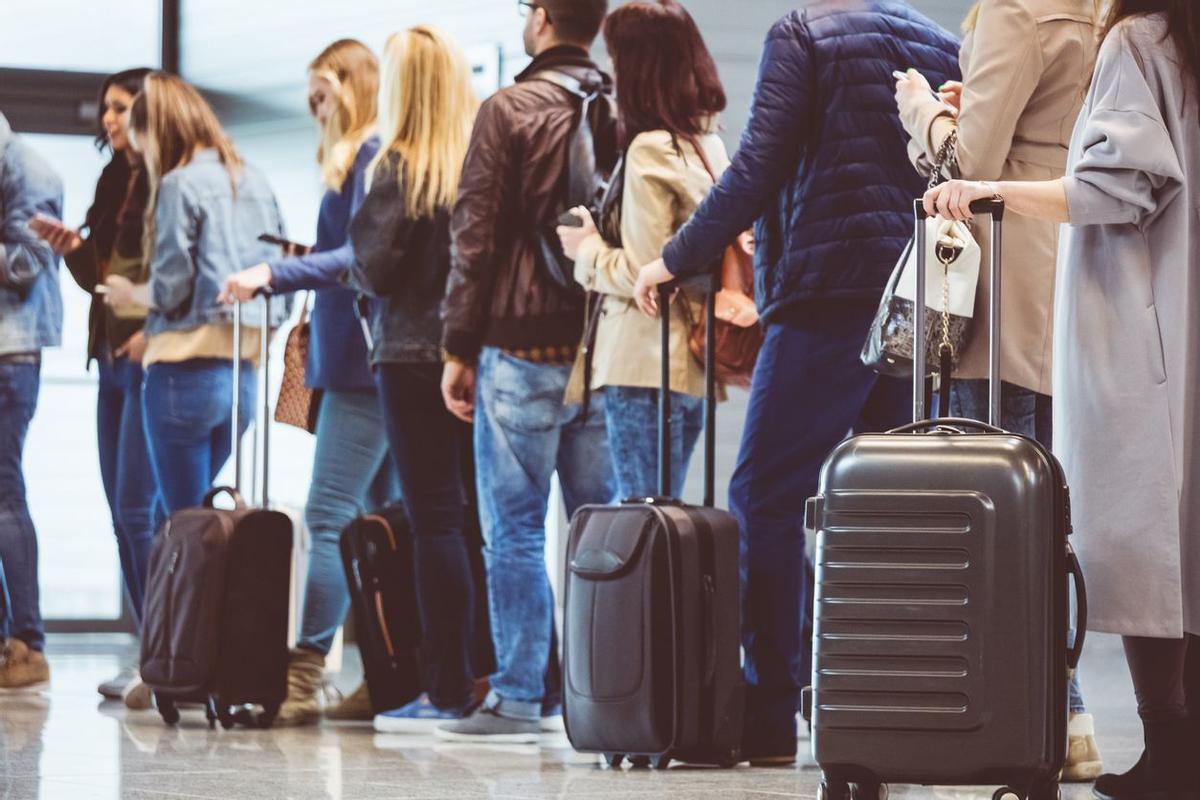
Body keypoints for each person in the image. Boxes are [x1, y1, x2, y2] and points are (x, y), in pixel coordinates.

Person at [631, 1, 960, 764]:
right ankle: (879, 711)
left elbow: (758, 164)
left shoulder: (803, 33)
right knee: (884, 513)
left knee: (765, 495)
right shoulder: (937, 39)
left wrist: (674, 257)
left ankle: (770, 712)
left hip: (828, 295)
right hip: (918, 298)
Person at [923, 2, 1199, 795]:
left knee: (1143, 543)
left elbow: (1116, 187)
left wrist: (989, 193)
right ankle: (1186, 753)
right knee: (1184, 541)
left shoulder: (1138, 43)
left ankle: (1170, 751)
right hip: (1181, 321)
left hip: (1139, 323)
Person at [893, 0, 1102, 781]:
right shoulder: (1100, 13)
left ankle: (1034, 718)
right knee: (1048, 517)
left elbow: (969, 162)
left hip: (1000, 287)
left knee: (992, 522)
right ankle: (1066, 717)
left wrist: (920, 112)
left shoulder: (1017, 9)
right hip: (1065, 275)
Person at [436, 0, 617, 743]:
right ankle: (605, 688)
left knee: (511, 529)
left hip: (518, 344)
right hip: (604, 342)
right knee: (598, 529)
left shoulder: (508, 108)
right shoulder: (623, 100)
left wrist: (457, 343)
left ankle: (517, 696)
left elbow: (474, 233)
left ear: (540, 17)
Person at [220, 39, 399, 726]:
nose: (312, 108)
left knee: (328, 517)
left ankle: (304, 674)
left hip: (361, 367)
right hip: (360, 362)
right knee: (378, 525)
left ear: (349, 88)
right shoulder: (364, 157)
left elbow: (361, 256)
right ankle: (386, 678)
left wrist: (277, 273)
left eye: (321, 95)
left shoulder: (370, 153)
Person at [345, 25, 482, 732]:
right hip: (473, 355)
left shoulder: (396, 165)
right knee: (475, 522)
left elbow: (368, 267)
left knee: (431, 521)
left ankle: (446, 688)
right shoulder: (478, 161)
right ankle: (502, 677)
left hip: (407, 356)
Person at [556, 0, 728, 501]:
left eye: (615, 57)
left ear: (637, 66)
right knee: (666, 519)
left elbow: (643, 269)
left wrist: (586, 250)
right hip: (692, 362)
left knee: (643, 520)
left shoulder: (650, 148)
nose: (610, 70)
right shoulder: (705, 144)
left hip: (643, 360)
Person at [29, 67, 162, 705]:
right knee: (121, 512)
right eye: (105, 109)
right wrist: (73, 248)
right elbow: (101, 281)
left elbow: (172, 278)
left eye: (120, 107)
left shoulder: (171, 181)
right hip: (111, 356)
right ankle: (153, 648)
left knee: (142, 513)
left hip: (156, 359)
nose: (108, 119)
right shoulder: (114, 179)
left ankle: (166, 652)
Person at [104, 73, 289, 515]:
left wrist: (131, 293)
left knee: (177, 526)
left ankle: (172, 591)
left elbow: (170, 290)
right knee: (200, 524)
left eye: (141, 141)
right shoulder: (254, 179)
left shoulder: (179, 184)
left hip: (182, 374)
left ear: (156, 133)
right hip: (242, 379)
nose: (143, 154)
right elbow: (280, 275)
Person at [0, 112, 63, 692]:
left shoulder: (31, 171)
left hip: (11, 355)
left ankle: (29, 644)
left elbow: (25, 264)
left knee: (5, 494)